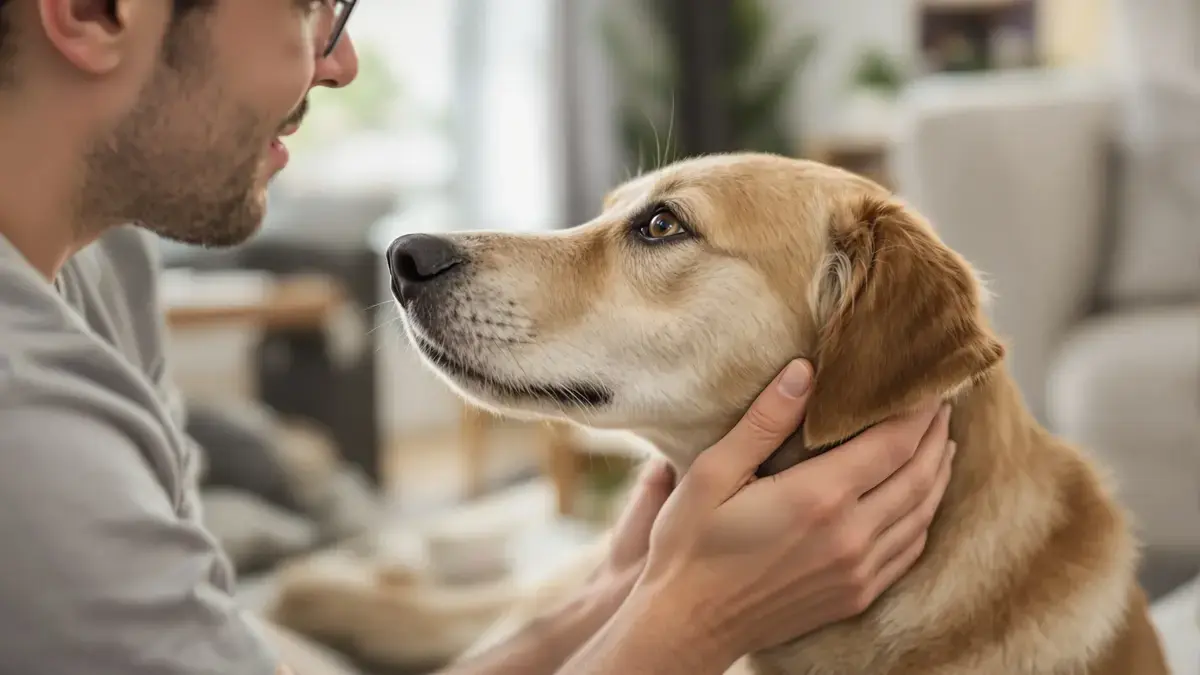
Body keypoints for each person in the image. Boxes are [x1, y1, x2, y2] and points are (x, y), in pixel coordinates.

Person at [0, 1, 955, 674]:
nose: (339, 63)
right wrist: (698, 619)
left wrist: (618, 597)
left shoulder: (99, 262)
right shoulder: (24, 419)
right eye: (307, 6)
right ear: (94, 9)